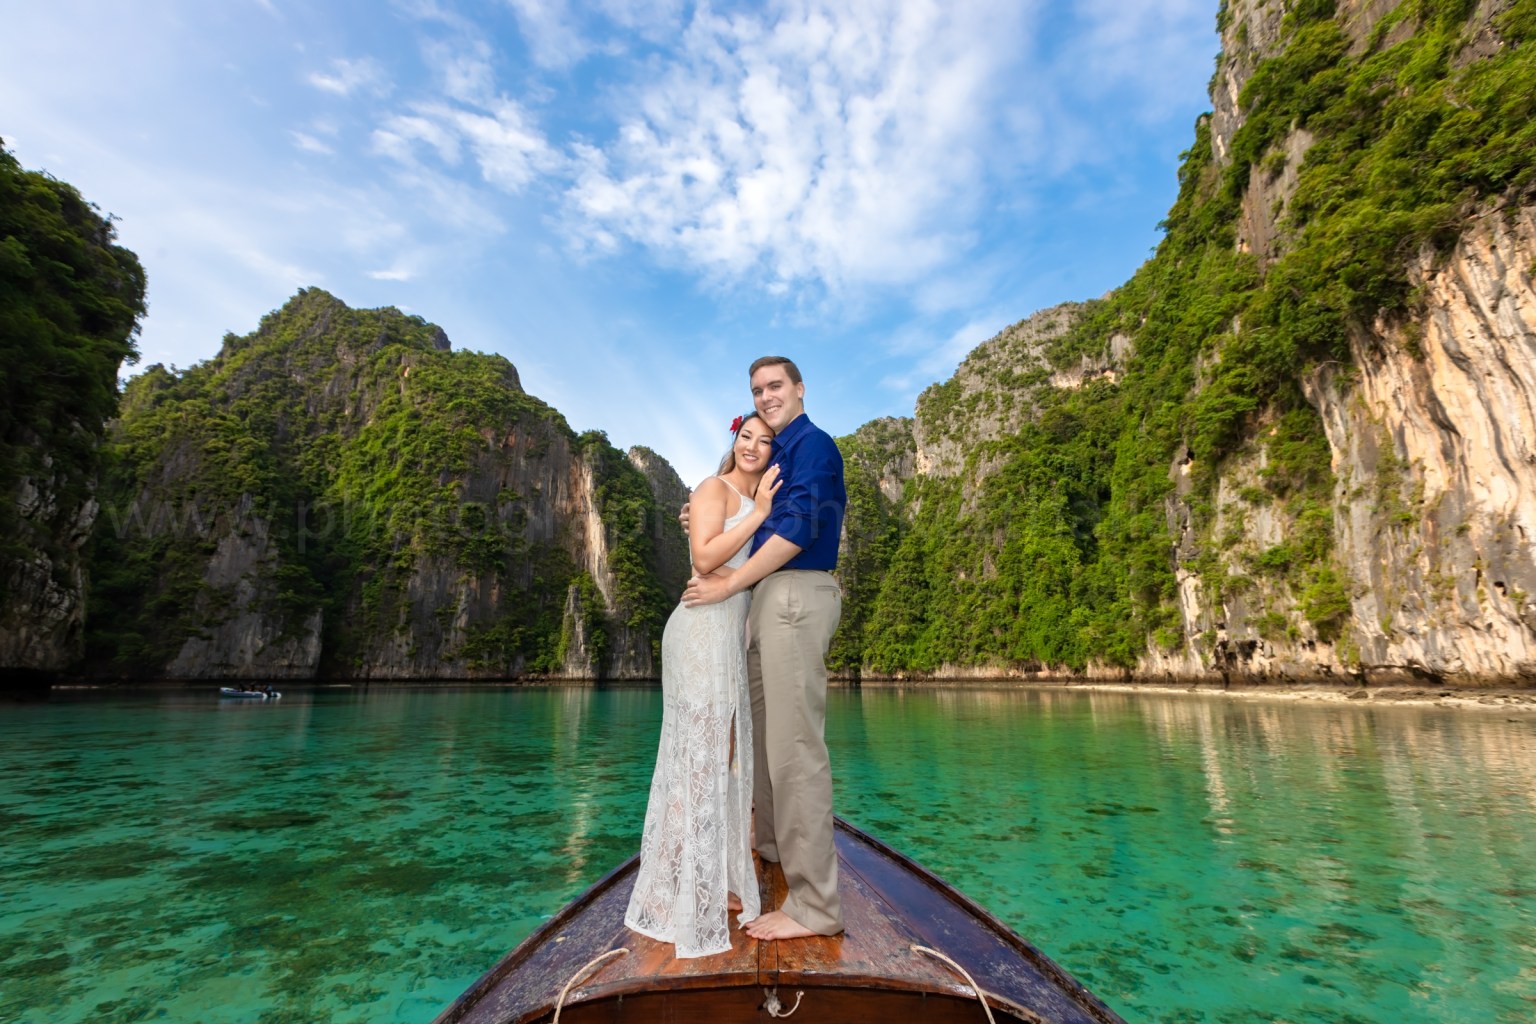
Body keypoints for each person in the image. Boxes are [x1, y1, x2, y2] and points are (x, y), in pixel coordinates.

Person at [683, 356, 846, 942]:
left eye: (775, 386)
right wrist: (704, 509)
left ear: (800, 388)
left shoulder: (813, 445)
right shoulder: (780, 452)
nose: (766, 396)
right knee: (763, 735)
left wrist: (731, 581)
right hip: (771, 600)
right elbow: (749, 506)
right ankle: (774, 845)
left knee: (794, 746)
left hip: (794, 594)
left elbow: (798, 527)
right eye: (756, 390)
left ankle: (816, 906)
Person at [624, 411, 782, 958]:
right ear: (733, 440)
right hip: (698, 631)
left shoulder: (752, 503)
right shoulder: (712, 488)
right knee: (696, 753)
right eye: (747, 437)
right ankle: (673, 887)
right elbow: (704, 556)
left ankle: (712, 875)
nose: (754, 448)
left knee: (726, 753)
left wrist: (763, 512)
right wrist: (757, 511)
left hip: (729, 633)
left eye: (765, 442)